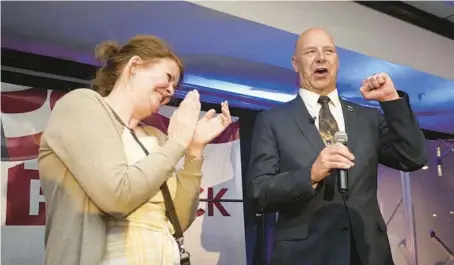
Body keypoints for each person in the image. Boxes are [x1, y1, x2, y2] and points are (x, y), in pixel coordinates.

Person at [38, 35, 232, 265]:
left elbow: (178, 221)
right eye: (168, 78)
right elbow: (117, 197)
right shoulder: (82, 104)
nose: (170, 91)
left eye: (175, 87)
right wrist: (177, 143)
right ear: (135, 66)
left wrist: (194, 149)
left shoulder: (155, 137)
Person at [247, 28, 427, 265]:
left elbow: (413, 157)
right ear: (295, 63)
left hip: (369, 253)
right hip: (307, 256)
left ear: (336, 61)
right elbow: (258, 192)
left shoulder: (367, 118)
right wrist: (310, 175)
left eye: (328, 51)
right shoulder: (272, 121)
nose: (321, 57)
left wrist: (391, 101)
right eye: (311, 52)